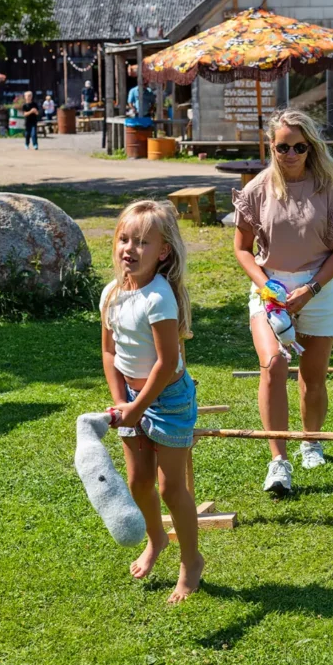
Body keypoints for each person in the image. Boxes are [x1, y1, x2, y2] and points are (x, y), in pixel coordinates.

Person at [232, 109, 333, 497]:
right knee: (273, 365)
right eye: (282, 146)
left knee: (312, 377)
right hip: (271, 292)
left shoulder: (330, 190)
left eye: (299, 147)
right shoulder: (256, 189)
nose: (290, 154)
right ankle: (277, 462)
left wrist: (311, 290)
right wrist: (266, 286)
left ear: (311, 147)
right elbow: (241, 249)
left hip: (317, 288)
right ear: (271, 146)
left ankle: (311, 441)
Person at [100, 199, 203, 602]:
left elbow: (166, 362)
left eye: (142, 242)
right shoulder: (111, 293)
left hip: (168, 399)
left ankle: (191, 560)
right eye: (124, 239)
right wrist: (120, 402)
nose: (130, 249)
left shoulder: (158, 299)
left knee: (169, 487)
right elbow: (109, 353)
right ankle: (156, 538)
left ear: (162, 252)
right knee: (137, 481)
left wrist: (138, 407)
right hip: (130, 397)